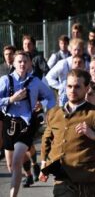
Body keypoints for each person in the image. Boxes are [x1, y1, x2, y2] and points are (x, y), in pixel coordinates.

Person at [39, 69, 95, 196]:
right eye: (69, 86)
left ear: (87, 88)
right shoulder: (54, 113)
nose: (72, 90)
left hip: (90, 184)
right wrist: (44, 164)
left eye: (77, 87)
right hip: (63, 182)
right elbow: (47, 139)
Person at [0, 51, 56, 197]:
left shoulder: (35, 81)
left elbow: (51, 97)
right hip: (9, 123)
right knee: (11, 165)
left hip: (26, 123)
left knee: (17, 161)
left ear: (30, 64)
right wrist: (11, 99)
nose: (22, 64)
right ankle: (29, 170)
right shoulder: (5, 80)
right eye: (19, 61)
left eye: (25, 61)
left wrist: (43, 105)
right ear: (13, 63)